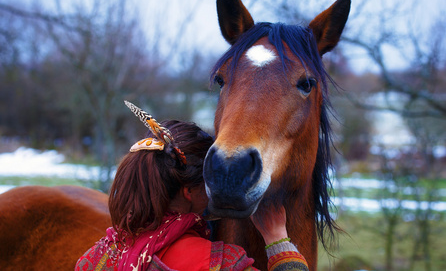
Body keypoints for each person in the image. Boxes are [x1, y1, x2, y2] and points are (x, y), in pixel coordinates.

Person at [75, 101, 309, 271]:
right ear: (189, 191)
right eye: (208, 179)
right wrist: (278, 240)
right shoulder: (219, 264)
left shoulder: (96, 257)